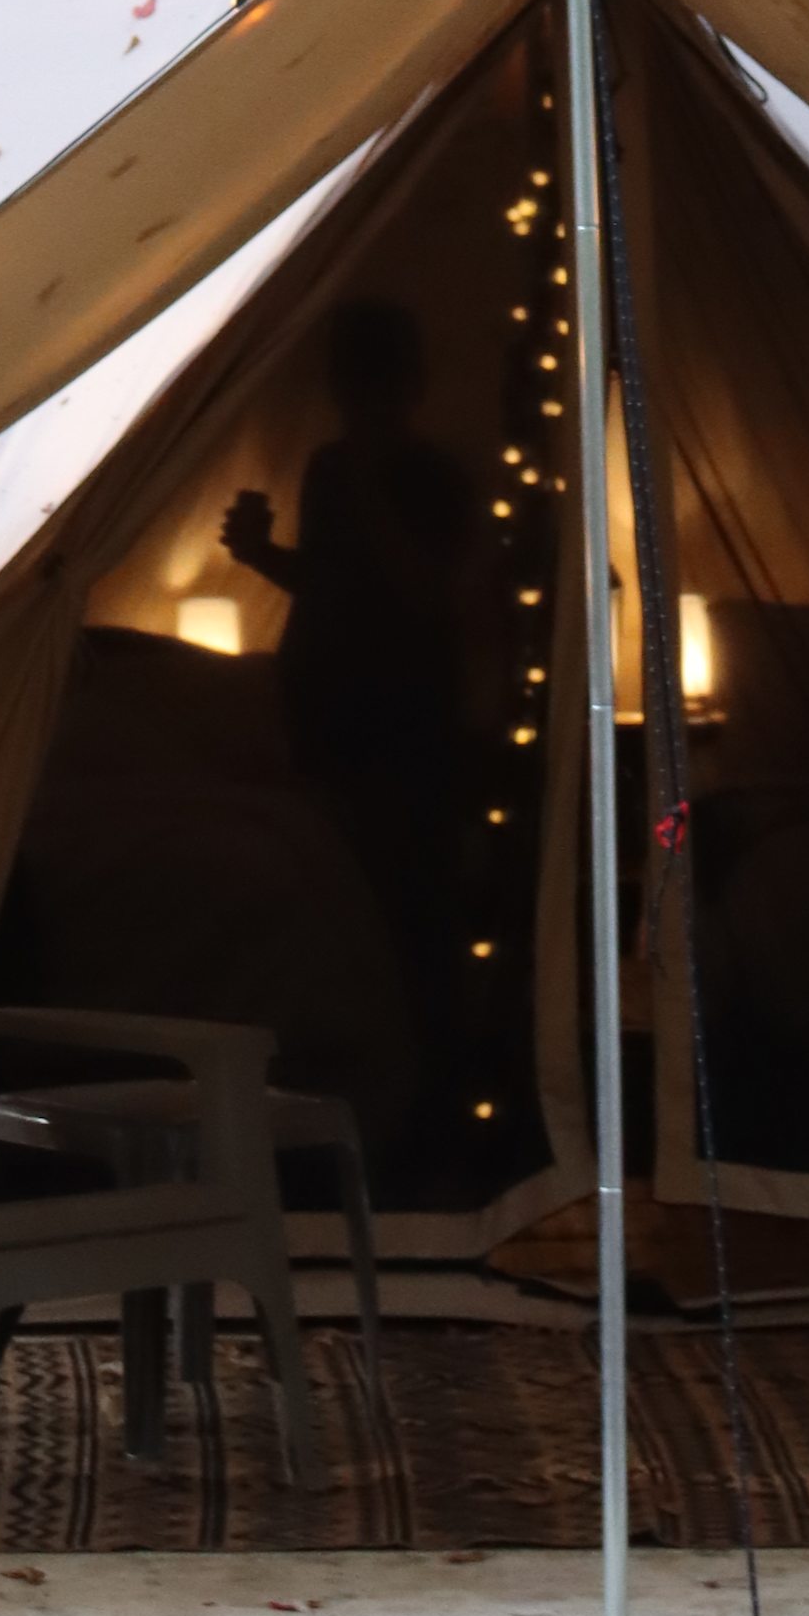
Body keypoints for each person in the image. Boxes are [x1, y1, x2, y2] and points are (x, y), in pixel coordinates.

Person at [223, 300, 489, 1168]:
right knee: (343, 903)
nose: (359, 401)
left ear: (408, 387)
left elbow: (427, 595)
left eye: (373, 381)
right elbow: (331, 585)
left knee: (414, 903)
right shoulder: (330, 467)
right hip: (333, 705)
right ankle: (353, 1103)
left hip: (408, 716)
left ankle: (429, 1105)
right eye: (352, 383)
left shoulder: (434, 477)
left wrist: (374, 491)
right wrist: (263, 556)